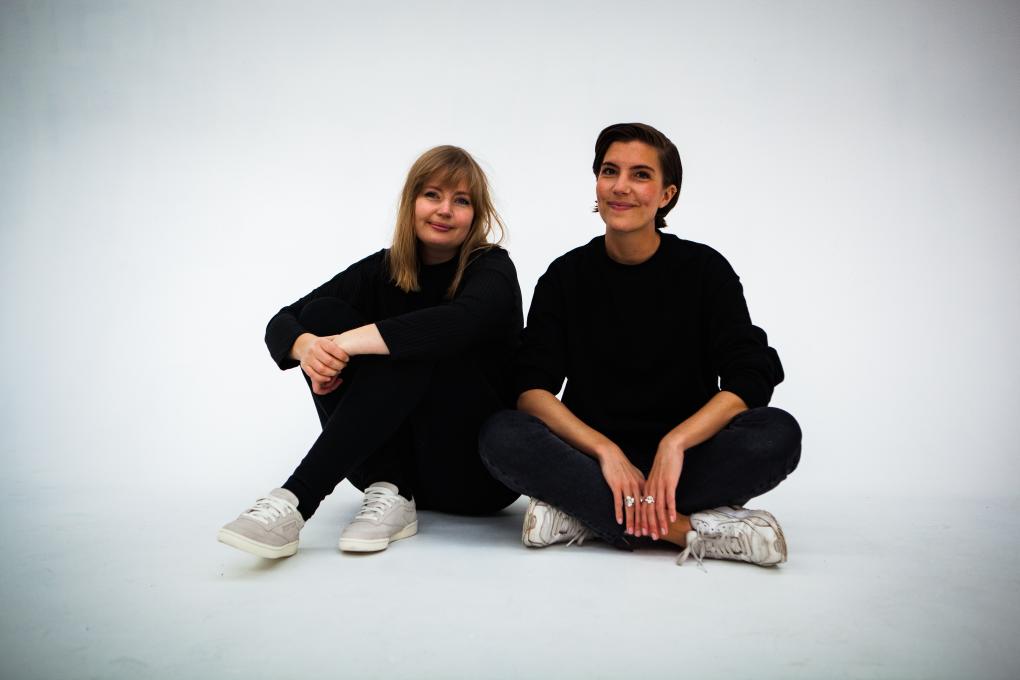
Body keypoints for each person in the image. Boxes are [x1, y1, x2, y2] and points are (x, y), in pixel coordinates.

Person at [479, 123, 801, 568]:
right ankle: (684, 530)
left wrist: (675, 444)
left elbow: (749, 375)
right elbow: (531, 390)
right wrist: (606, 451)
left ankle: (585, 513)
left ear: (667, 194)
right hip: (591, 461)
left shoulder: (705, 271)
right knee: (501, 433)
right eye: (610, 171)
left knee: (777, 433)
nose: (621, 187)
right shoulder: (566, 276)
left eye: (641, 175)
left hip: (688, 462)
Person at [219, 145, 521, 559]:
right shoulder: (383, 269)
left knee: (416, 340)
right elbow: (283, 320)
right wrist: (310, 348)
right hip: (384, 470)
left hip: (475, 475)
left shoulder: (492, 269)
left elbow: (458, 322)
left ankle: (297, 498)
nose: (445, 210)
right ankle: (391, 490)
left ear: (476, 214)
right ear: (411, 202)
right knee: (321, 316)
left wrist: (346, 343)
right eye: (432, 195)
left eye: (461, 200)